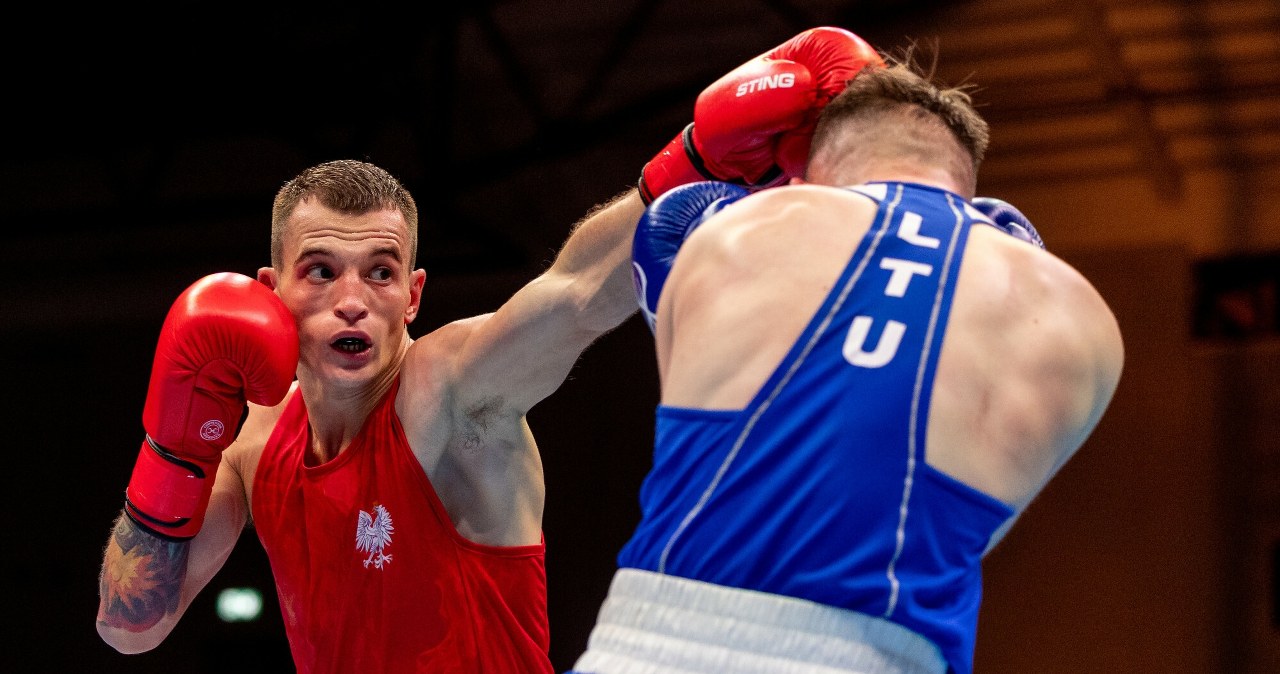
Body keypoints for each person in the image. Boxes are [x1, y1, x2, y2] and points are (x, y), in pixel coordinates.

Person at [94, 27, 885, 673]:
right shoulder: (254, 445)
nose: (352, 299)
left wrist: (696, 165)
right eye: (321, 271)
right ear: (272, 290)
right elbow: (130, 627)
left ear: (413, 294)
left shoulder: (450, 390)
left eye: (380, 272)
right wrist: (174, 447)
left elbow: (574, 293)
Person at [570, 50, 1125, 674]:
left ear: (811, 172)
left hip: (656, 638)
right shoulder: (1081, 318)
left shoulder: (735, 230)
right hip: (893, 652)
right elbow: (959, 536)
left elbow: (691, 432)